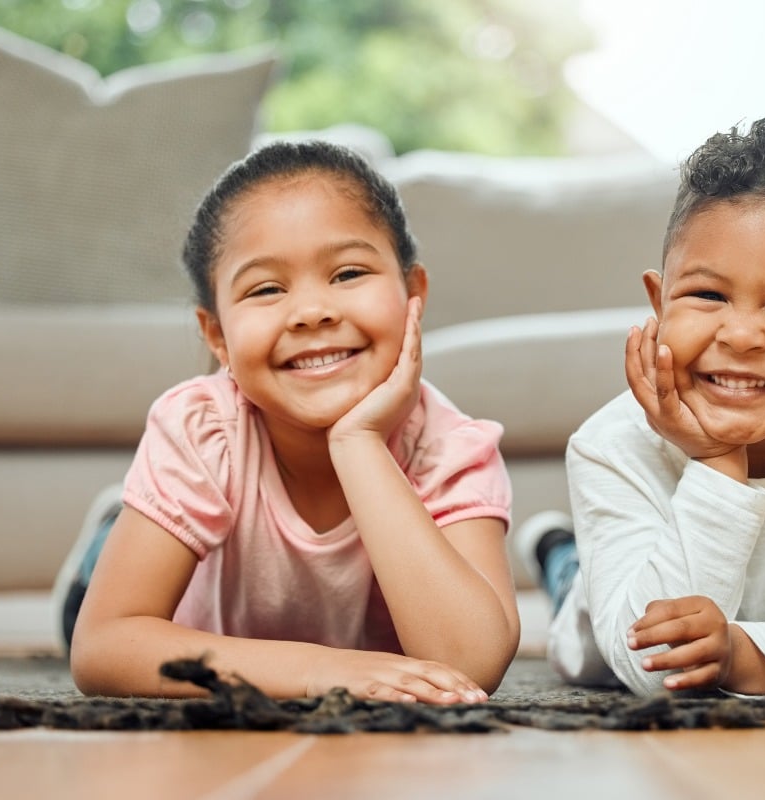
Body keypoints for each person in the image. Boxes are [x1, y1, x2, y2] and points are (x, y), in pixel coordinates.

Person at [53, 140, 519, 703]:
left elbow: (471, 662)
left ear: (413, 294)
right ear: (218, 336)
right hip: (194, 633)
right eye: (267, 288)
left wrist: (359, 442)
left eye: (347, 274)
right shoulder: (204, 427)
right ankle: (112, 537)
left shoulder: (449, 447)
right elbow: (103, 646)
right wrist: (315, 672)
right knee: (84, 611)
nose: (312, 312)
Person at [515, 116, 765, 697]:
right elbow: (652, 666)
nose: (739, 335)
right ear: (660, 303)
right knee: (577, 604)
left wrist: (744, 655)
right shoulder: (609, 444)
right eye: (708, 295)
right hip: (603, 618)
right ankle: (561, 557)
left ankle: (564, 549)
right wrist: (715, 460)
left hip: (753, 645)